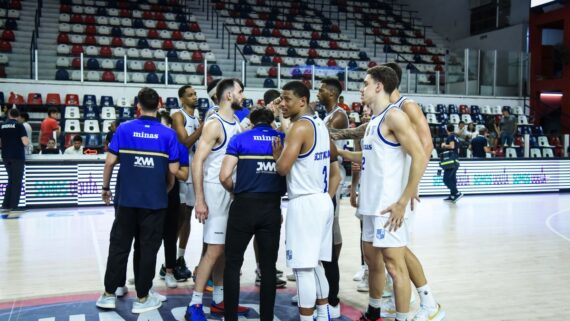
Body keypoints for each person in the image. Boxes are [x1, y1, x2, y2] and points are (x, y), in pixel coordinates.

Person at [330, 62, 445, 321]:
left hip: (388, 205)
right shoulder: (374, 121)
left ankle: (404, 317)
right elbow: (370, 154)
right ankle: (374, 312)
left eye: (366, 84)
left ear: (379, 86)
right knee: (373, 262)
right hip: (371, 205)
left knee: (395, 265)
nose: (362, 89)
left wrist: (405, 198)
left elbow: (419, 153)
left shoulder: (396, 115)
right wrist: (343, 153)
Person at [95, 87, 180, 314]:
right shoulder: (168, 134)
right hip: (154, 202)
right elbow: (173, 169)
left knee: (119, 246)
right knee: (147, 249)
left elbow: (110, 162)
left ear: (138, 107)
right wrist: (168, 185)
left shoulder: (123, 129)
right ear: (159, 105)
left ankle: (109, 294)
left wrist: (105, 188)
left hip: (126, 201)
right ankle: (142, 297)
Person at [185, 78, 250, 321]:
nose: (243, 95)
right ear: (228, 95)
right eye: (240, 92)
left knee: (224, 249)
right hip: (214, 191)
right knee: (213, 250)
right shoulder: (214, 124)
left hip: (231, 191)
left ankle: (220, 300)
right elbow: (197, 161)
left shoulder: (237, 123)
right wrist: (200, 199)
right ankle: (195, 304)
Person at [272, 80, 334, 321]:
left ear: (303, 101)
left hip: (305, 202)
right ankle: (323, 312)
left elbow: (283, 168)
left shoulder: (299, 128)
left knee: (302, 268)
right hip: (321, 199)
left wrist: (278, 156)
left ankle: (307, 318)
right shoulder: (319, 124)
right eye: (281, 98)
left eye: (287, 99)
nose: (282, 103)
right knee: (316, 264)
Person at [219, 107, 287, 321]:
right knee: (268, 267)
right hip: (271, 207)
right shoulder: (282, 139)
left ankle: (230, 317)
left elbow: (224, 176)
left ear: (253, 122)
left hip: (244, 205)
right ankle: (266, 317)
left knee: (233, 263)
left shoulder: (240, 139)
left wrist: (235, 190)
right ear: (272, 122)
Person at [317, 77, 349, 318]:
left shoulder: (338, 116)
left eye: (320, 89)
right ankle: (322, 280)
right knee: (324, 226)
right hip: (324, 170)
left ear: (330, 92)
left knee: (332, 224)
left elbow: (321, 137)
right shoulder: (325, 114)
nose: (318, 92)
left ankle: (331, 287)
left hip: (334, 172)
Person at [168, 85, 203, 282]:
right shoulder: (178, 116)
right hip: (181, 169)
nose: (194, 97)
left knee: (187, 217)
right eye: (190, 95)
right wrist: (202, 128)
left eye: (195, 94)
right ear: (182, 99)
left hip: (194, 170)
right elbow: (184, 143)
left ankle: (180, 258)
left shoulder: (196, 118)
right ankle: (169, 262)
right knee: (179, 217)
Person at [159, 111, 191, 288]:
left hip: (172, 195)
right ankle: (143, 272)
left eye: (163, 126)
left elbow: (184, 175)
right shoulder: (150, 144)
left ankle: (170, 271)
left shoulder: (179, 147)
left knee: (170, 236)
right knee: (147, 237)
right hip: (151, 194)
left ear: (170, 127)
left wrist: (168, 167)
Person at [0, 108, 29, 217]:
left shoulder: (2, 125)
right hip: (17, 156)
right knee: (16, 181)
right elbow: (25, 142)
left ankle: (5, 206)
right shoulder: (19, 125)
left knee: (11, 180)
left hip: (6, 156)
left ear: (9, 115)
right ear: (18, 116)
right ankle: (14, 206)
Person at [441, 124, 462, 202]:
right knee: (452, 179)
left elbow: (452, 146)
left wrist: (444, 145)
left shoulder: (450, 136)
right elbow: (458, 150)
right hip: (455, 159)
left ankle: (456, 193)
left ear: (447, 129)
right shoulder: (456, 137)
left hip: (450, 161)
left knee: (446, 179)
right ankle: (452, 195)